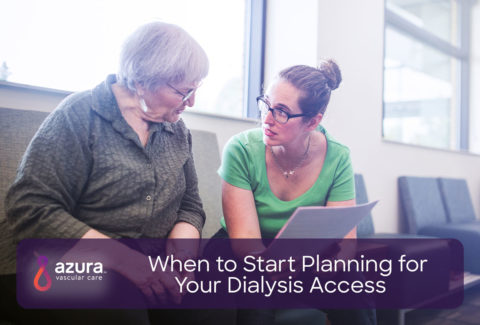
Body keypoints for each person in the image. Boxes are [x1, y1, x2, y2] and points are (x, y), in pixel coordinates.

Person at [5, 21, 231, 325]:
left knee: (215, 300)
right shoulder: (79, 115)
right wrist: (124, 260)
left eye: (195, 89)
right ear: (142, 81)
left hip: (149, 262)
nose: (192, 102)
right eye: (184, 91)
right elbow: (30, 207)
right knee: (120, 304)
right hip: (59, 262)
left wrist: (183, 254)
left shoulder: (177, 130)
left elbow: (190, 205)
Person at [214, 61, 376, 324]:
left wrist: (334, 263)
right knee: (256, 288)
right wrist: (276, 265)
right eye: (266, 104)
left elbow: (346, 240)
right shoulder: (241, 149)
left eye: (281, 112)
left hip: (303, 255)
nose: (266, 118)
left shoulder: (337, 156)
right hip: (243, 252)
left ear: (312, 121)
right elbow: (245, 243)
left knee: (353, 281)